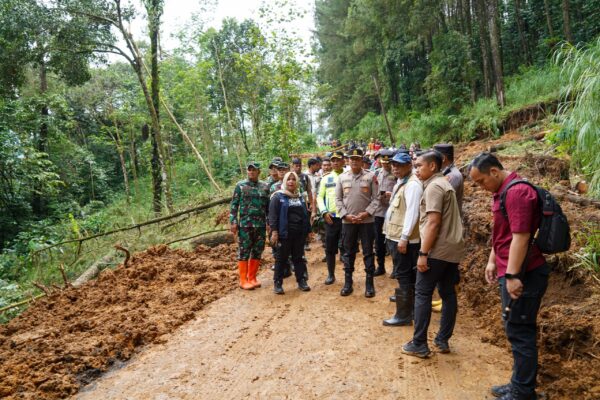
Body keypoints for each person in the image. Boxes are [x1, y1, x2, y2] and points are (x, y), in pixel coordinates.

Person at [470, 153, 549, 400]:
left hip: (524, 273)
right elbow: (502, 232)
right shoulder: (502, 191)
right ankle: (518, 383)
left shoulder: (517, 193)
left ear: (494, 172)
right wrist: (493, 261)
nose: (481, 188)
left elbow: (521, 237)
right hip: (508, 268)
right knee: (514, 328)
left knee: (520, 330)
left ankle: (523, 392)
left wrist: (514, 275)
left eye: (481, 181)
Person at [401, 150, 464, 358]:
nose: (416, 169)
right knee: (447, 293)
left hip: (437, 250)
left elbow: (434, 222)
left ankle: (419, 343)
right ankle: (442, 339)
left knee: (423, 293)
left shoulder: (434, 187)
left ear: (433, 166)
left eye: (419, 165)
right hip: (452, 250)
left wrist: (423, 253)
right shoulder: (444, 184)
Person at [382, 152, 423, 326]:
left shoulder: (412, 185)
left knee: (404, 275)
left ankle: (404, 315)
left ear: (409, 166)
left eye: (399, 165)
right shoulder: (403, 182)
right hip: (397, 236)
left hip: (403, 238)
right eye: (393, 165)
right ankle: (410, 310)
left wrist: (404, 238)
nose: (395, 168)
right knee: (405, 274)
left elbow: (412, 213)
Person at [335, 147, 380, 297]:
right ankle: (348, 283)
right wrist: (345, 215)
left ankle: (369, 284)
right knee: (348, 252)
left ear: (362, 160)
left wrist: (367, 213)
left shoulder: (371, 176)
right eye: (351, 158)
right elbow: (338, 199)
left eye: (357, 159)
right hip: (348, 222)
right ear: (348, 160)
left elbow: (377, 198)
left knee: (368, 251)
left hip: (367, 221)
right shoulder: (342, 177)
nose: (354, 161)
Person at [229, 162, 270, 290]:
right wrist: (233, 221)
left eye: (254, 170)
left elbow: (268, 207)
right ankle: (243, 280)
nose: (251, 172)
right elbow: (234, 205)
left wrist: (269, 223)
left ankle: (252, 277)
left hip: (261, 225)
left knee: (258, 250)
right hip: (245, 225)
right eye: (249, 170)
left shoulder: (265, 186)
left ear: (259, 172)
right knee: (244, 251)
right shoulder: (240, 186)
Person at [269, 172, 312, 294]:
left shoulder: (300, 197)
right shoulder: (277, 197)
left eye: (293, 179)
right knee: (281, 259)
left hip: (299, 234)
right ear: (284, 181)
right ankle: (278, 283)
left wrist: (308, 231)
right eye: (289, 179)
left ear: (297, 182)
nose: (291, 182)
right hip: (284, 234)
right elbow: (272, 216)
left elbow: (305, 215)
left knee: (298, 258)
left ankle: (301, 281)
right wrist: (274, 232)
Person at [317, 151, 345, 284]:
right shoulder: (326, 178)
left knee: (347, 247)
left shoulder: (349, 175)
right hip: (331, 218)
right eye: (333, 160)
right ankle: (331, 274)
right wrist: (324, 212)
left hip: (347, 218)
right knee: (330, 248)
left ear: (343, 161)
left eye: (338, 160)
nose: (335, 163)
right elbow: (319, 197)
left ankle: (348, 275)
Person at [373, 149, 397, 277]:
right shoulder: (376, 173)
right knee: (378, 241)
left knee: (392, 241)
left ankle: (395, 267)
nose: (385, 165)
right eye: (383, 162)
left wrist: (390, 195)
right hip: (378, 212)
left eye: (388, 163)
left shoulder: (396, 174)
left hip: (392, 211)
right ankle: (380, 266)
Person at [433, 143, 464, 212]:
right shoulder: (447, 172)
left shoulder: (453, 176)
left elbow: (440, 200)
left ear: (443, 158)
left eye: (434, 158)